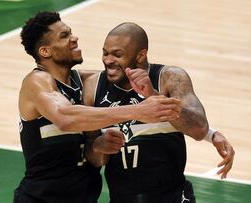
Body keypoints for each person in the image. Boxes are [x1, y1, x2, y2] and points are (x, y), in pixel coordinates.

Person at [14, 12, 182, 203]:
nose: (74, 38)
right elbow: (65, 117)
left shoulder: (85, 82)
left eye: (71, 33)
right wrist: (138, 111)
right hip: (41, 199)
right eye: (64, 36)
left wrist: (210, 134)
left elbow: (128, 79)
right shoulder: (37, 81)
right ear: (45, 51)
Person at [83, 22, 235, 203]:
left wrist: (153, 96)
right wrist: (98, 147)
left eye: (117, 54)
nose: (108, 60)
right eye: (105, 53)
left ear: (140, 55)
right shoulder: (93, 86)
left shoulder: (169, 78)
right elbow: (94, 159)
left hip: (172, 197)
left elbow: (199, 128)